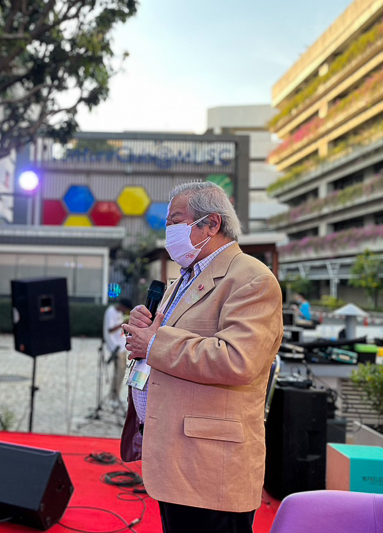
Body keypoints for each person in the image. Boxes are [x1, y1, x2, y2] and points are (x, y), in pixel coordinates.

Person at [120, 181, 282, 533]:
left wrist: (154, 343)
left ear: (211, 224)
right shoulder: (184, 278)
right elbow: (162, 341)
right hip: (175, 454)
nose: (168, 231)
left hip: (210, 466)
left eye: (176, 221)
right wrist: (145, 330)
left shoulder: (252, 279)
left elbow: (238, 359)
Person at [102, 298, 133, 403]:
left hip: (121, 346)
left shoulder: (119, 313)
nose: (125, 311)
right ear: (122, 306)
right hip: (115, 347)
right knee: (119, 372)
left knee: (121, 372)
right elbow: (110, 329)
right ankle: (113, 397)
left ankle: (115, 395)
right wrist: (123, 323)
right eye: (125, 309)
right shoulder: (111, 311)